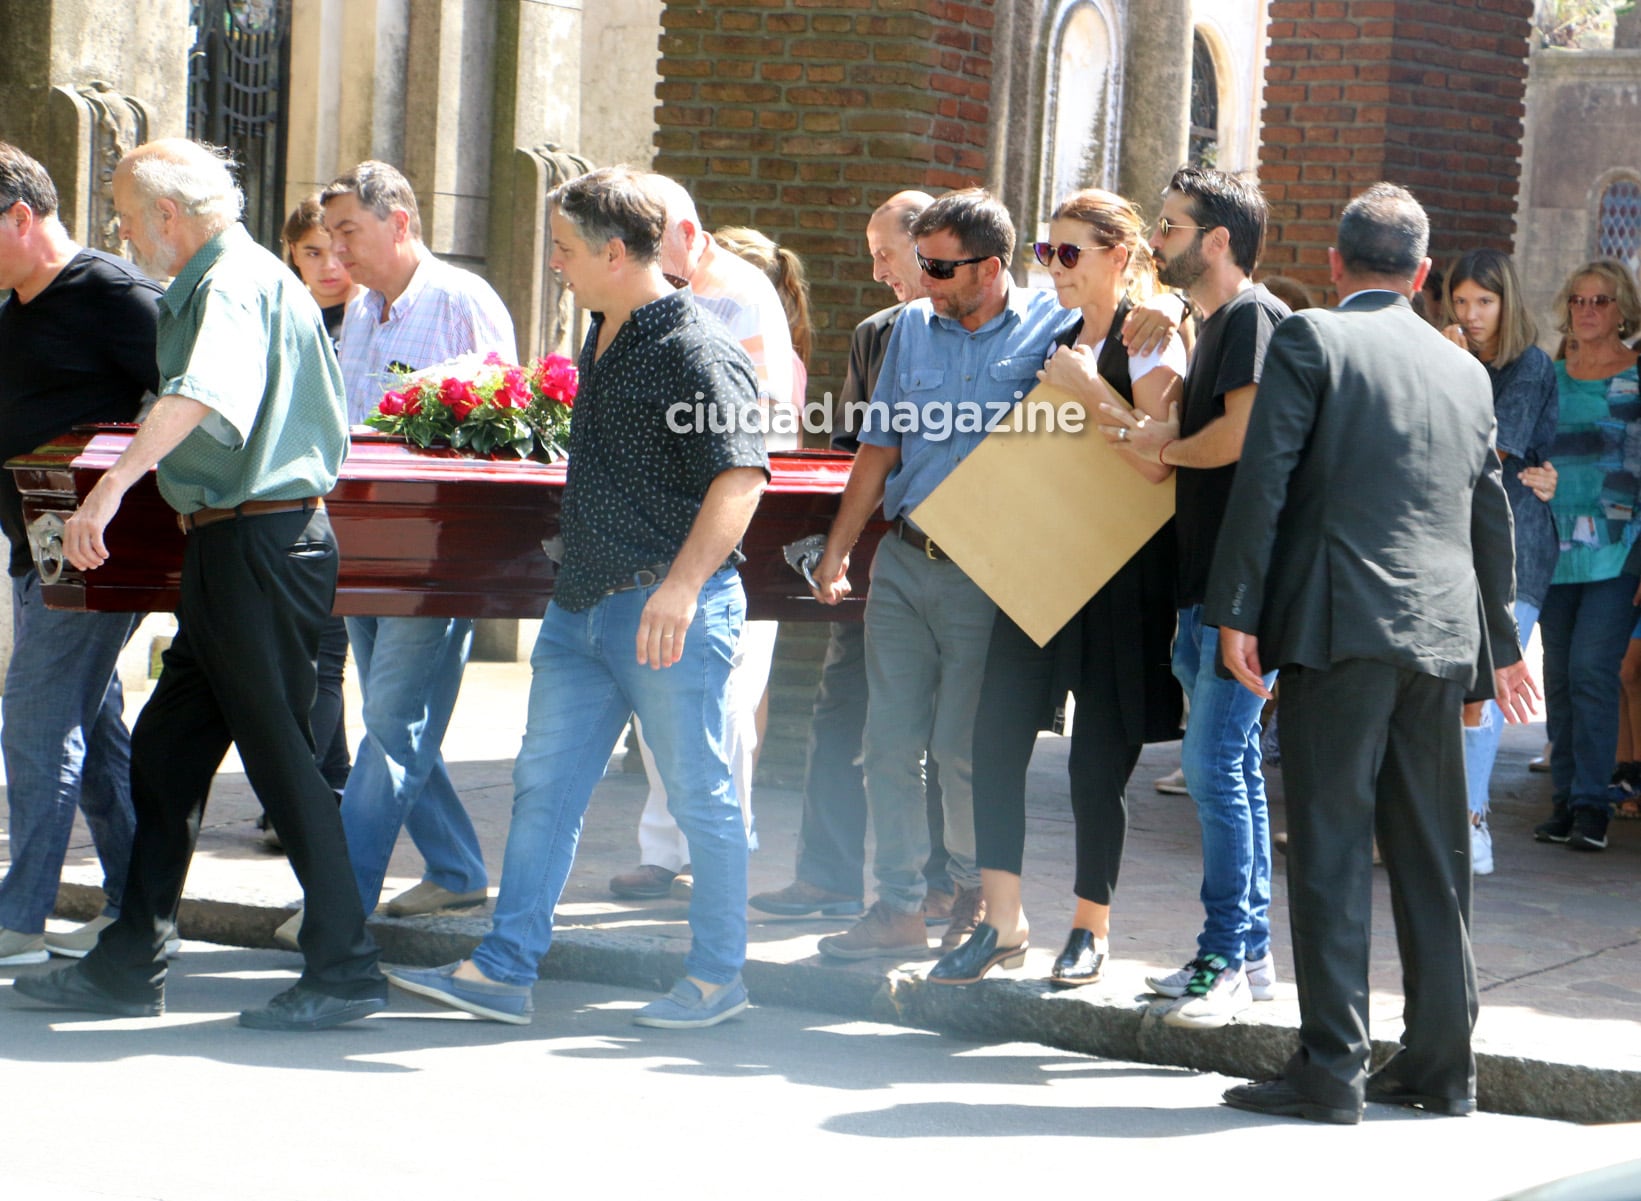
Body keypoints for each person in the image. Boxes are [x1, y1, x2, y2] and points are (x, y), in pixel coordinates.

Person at [14, 138, 387, 1030]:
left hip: (255, 546)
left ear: (168, 215)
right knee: (166, 754)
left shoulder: (230, 282)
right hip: (238, 549)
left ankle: (345, 969)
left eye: (127, 214)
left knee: (284, 766)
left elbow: (202, 394)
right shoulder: (235, 276)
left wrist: (109, 486)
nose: (122, 230)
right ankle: (128, 958)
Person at [387, 166, 768, 1028]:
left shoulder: (694, 349)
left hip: (664, 612)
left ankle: (718, 977)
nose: (553, 263)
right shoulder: (604, 331)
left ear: (612, 250)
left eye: (562, 249)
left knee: (703, 794)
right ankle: (503, 969)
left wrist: (680, 588)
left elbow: (740, 477)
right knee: (543, 790)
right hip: (582, 609)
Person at [1209, 182, 1533, 1123]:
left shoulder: (1312, 338)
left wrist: (1236, 610)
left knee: (1329, 845)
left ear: (1336, 264)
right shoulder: (1464, 367)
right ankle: (1440, 1064)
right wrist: (1495, 652)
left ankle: (1330, 1065)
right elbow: (1488, 517)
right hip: (1437, 634)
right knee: (1432, 853)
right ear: (1425, 275)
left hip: (1338, 624)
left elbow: (1263, 480)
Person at [811, 188, 1077, 961]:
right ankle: (896, 905)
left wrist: (1165, 316)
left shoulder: (1052, 328)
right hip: (903, 557)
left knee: (962, 748)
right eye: (919, 260)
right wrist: (839, 548)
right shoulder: (909, 333)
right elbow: (878, 447)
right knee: (887, 742)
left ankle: (970, 891)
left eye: (937, 264)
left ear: (991, 267)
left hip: (988, 573)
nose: (921, 277)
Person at [928, 188, 1184, 986]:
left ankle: (1090, 926)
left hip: (1116, 579)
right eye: (1047, 252)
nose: (1055, 267)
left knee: (1095, 762)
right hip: (1038, 565)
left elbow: (1155, 462)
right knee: (991, 737)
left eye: (1069, 252)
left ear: (1120, 255)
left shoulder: (1151, 342)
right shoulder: (1060, 328)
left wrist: (1089, 388)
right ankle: (1003, 922)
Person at [276, 161, 515, 947]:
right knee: (392, 718)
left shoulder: (462, 301)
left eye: (348, 231)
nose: (335, 250)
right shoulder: (362, 313)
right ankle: (453, 870)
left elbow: (507, 430)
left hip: (437, 553)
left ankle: (338, 900)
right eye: (329, 234)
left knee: (392, 722)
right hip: (363, 546)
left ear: (400, 222)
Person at [1106, 166, 1291, 1028]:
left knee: (1218, 769)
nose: (1154, 241)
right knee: (1233, 770)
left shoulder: (1252, 315)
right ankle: (1247, 955)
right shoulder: (1218, 319)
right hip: (1210, 588)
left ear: (1218, 240)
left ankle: (1223, 955)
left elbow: (1244, 437)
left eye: (1171, 226)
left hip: (1232, 592)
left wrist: (1162, 442)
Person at [747, 191, 958, 923]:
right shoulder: (876, 334)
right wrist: (840, 553)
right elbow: (853, 452)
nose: (875, 271)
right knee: (839, 711)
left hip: (956, 563)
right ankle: (826, 873)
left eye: (883, 253)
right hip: (875, 559)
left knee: (937, 728)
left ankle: (940, 883)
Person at [603, 176, 795, 903]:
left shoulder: (740, 295)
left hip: (729, 512)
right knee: (657, 694)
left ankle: (724, 850)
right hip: (654, 514)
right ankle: (662, 849)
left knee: (725, 697)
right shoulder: (636, 285)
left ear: (690, 234)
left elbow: (755, 411)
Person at [0, 142, 160, 963]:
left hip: (91, 556)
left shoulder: (118, 296)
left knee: (33, 717)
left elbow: (195, 399)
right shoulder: (15, 304)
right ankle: (135, 906)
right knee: (91, 733)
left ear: (21, 217)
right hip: (35, 555)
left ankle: (18, 919)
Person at [1440, 248, 1560, 873]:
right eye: (1460, 301)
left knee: (1489, 685)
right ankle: (1439, 822)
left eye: (1483, 301)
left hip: (1516, 548)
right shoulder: (1452, 357)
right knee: (1453, 686)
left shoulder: (1530, 366)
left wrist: (1454, 366)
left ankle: (1472, 825)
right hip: (1456, 543)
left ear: (1506, 303)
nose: (1471, 313)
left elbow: (1491, 449)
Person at [1532, 258, 1641, 853]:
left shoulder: (1638, 378)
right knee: (1559, 676)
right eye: (1579, 300)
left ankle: (1593, 805)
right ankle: (1565, 801)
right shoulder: (1549, 375)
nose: (1588, 311)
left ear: (1623, 308)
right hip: (1556, 550)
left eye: (1601, 301)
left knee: (1593, 672)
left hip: (1618, 550)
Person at [281, 195, 362, 815]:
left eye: (339, 250)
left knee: (323, 660)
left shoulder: (370, 318)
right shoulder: (284, 316)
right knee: (304, 655)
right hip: (290, 504)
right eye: (313, 252)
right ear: (292, 255)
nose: (330, 265)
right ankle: (329, 774)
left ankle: (308, 793)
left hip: (356, 508)